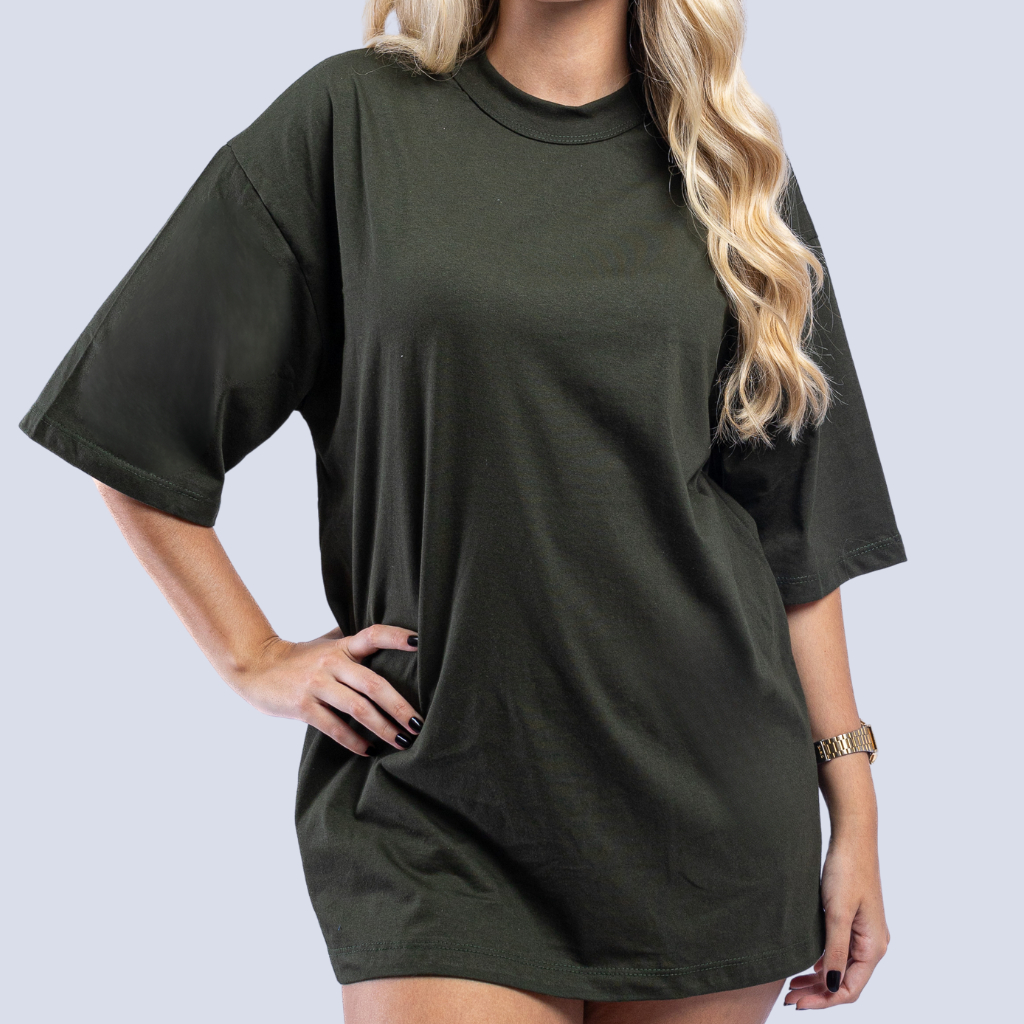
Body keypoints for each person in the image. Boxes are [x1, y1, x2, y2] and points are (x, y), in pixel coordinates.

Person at [18, 0, 906, 1020]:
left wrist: (855, 811)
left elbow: (796, 532)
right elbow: (130, 408)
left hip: (706, 815)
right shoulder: (352, 122)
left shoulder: (729, 165)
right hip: (435, 801)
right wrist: (251, 655)